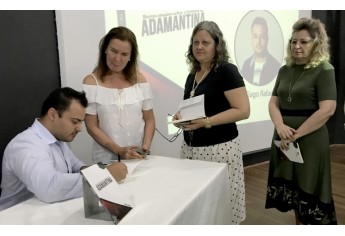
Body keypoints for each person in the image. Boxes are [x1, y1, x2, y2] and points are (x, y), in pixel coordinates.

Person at [0, 87, 128, 211]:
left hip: (46, 213)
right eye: (74, 121)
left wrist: (96, 171)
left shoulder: (56, 139)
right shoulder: (26, 145)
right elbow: (48, 188)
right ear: (52, 115)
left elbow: (75, 165)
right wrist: (104, 176)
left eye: (80, 122)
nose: (80, 128)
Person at [173, 21, 250, 224]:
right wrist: (179, 117)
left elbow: (243, 111)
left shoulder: (227, 71)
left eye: (205, 42)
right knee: (200, 207)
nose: (199, 46)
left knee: (221, 208)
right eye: (195, 42)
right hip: (191, 149)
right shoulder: (193, 73)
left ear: (217, 45)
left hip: (220, 150)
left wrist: (206, 122)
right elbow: (191, 107)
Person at [265, 17, 337, 225]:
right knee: (294, 192)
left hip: (309, 140)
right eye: (293, 41)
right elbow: (273, 103)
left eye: (304, 41)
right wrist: (280, 127)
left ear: (316, 43)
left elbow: (327, 110)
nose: (297, 46)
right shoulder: (284, 70)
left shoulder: (324, 69)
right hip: (284, 137)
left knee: (309, 188)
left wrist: (294, 134)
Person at [83, 26, 155, 164]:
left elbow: (149, 119)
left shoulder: (140, 80)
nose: (117, 59)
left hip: (138, 158)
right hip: (105, 160)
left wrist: (145, 147)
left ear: (131, 56)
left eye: (124, 54)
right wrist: (118, 150)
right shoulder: (91, 83)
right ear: (105, 49)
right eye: (113, 51)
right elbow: (91, 126)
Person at [242, 16, 281, 86]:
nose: (258, 41)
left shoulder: (276, 66)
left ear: (267, 39)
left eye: (262, 36)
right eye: (255, 36)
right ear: (251, 38)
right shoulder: (246, 65)